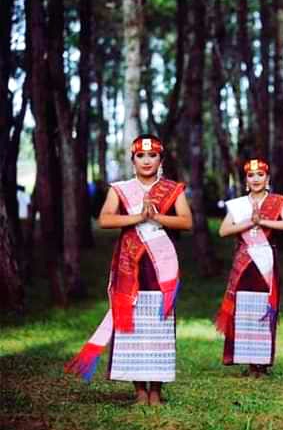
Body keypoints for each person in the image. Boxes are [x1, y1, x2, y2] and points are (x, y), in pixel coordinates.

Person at [65, 135, 192, 406]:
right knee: (131, 323)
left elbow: (186, 221)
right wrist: (138, 217)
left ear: (161, 159)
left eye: (152, 156)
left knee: (159, 322)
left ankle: (156, 390)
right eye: (140, 156)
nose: (147, 161)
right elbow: (105, 219)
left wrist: (157, 217)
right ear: (133, 160)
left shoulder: (172, 188)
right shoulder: (120, 189)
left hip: (161, 263)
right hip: (130, 263)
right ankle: (139, 391)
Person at [215, 158, 283, 377]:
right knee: (244, 309)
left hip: (265, 261)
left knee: (263, 308)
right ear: (246, 180)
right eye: (251, 175)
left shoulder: (278, 202)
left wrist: (263, 222)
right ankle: (249, 362)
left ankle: (261, 361)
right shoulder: (239, 204)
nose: (256, 179)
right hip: (244, 262)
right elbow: (223, 230)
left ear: (267, 178)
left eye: (260, 174)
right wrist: (250, 222)